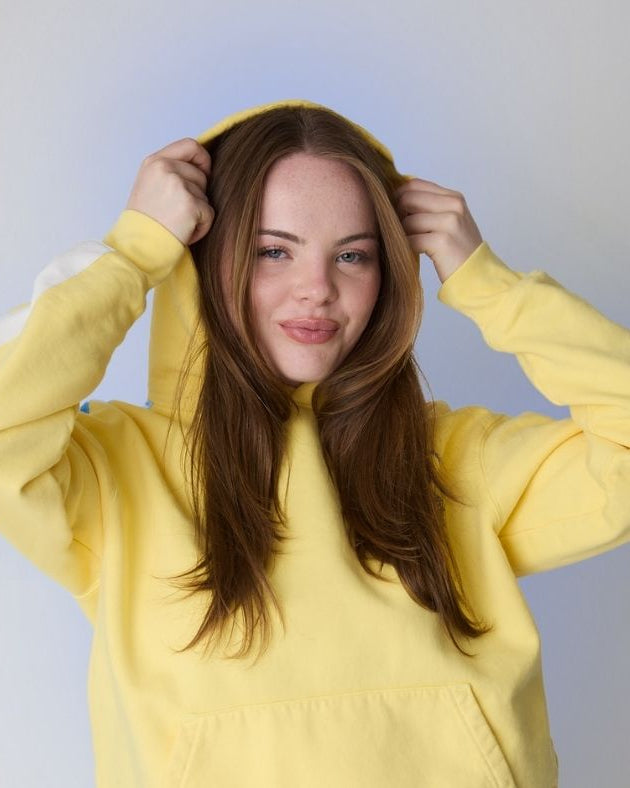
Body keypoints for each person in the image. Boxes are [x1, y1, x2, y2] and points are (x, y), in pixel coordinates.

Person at [0, 97, 628, 787]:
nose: (317, 290)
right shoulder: (118, 469)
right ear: (206, 261)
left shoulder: (453, 459)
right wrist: (133, 252)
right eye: (274, 251)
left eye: (352, 255)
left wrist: (489, 285)